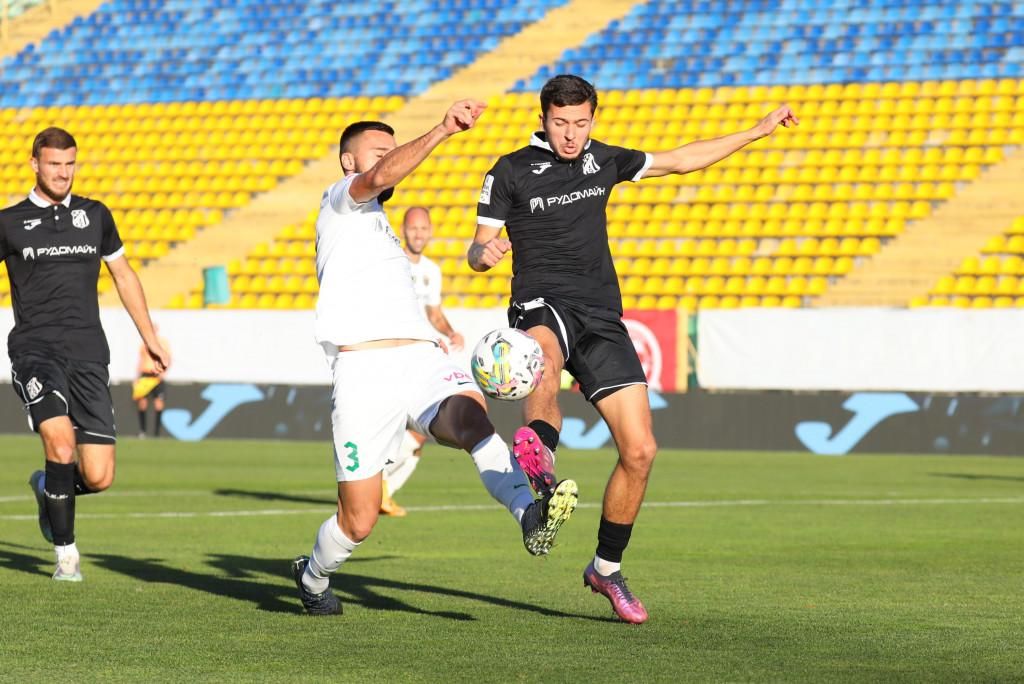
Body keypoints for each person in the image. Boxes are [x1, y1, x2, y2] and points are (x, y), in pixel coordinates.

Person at [468, 75, 798, 624]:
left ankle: (606, 568)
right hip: (541, 303)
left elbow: (682, 160)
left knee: (641, 451)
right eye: (560, 123)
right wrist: (487, 253)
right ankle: (542, 466)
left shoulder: (605, 160)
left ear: (592, 119)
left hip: (602, 316)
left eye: (580, 122)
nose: (571, 134)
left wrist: (759, 131)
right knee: (540, 358)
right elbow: (477, 249)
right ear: (543, 118)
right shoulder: (510, 169)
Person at [291, 101, 579, 616]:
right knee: (357, 521)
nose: (389, 156)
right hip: (363, 372)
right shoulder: (340, 201)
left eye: (392, 145)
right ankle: (313, 577)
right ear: (347, 162)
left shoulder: (381, 228)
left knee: (472, 417)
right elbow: (381, 173)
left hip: (421, 358)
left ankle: (528, 515)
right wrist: (444, 129)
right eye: (378, 150)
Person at [0, 127, 170, 582]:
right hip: (35, 351)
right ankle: (66, 557)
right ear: (35, 164)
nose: (63, 172)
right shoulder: (9, 222)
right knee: (59, 442)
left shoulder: (95, 215)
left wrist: (150, 336)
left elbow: (124, 275)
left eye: (70, 163)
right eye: (54, 164)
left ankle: (47, 488)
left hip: (89, 354)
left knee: (98, 476)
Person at [379, 206, 465, 517]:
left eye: (423, 228)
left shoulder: (431, 270)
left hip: (421, 356)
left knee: (420, 432)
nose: (418, 234)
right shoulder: (391, 264)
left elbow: (434, 314)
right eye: (413, 228)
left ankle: (383, 490)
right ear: (403, 230)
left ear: (430, 231)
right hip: (393, 355)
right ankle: (376, 486)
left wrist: (450, 332)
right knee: (404, 429)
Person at [133, 325, 171, 438]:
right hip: (145, 375)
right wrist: (137, 377)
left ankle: (156, 433)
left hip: (157, 376)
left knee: (158, 403)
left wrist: (163, 373)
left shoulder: (163, 342)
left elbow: (168, 358)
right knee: (142, 403)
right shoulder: (143, 344)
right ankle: (143, 431)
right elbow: (141, 360)